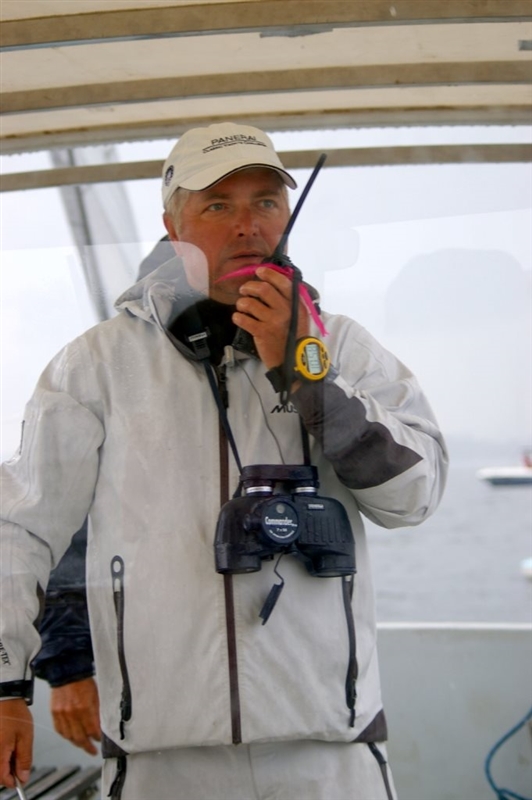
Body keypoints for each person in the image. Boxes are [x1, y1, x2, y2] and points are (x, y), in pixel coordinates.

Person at [0, 122, 448, 799]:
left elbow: (415, 497)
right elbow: (22, 527)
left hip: (332, 755)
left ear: (287, 216)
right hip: (159, 759)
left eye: (266, 202)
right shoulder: (95, 366)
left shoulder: (344, 349)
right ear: (172, 226)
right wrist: (8, 688)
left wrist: (308, 374)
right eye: (217, 205)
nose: (247, 226)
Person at [31, 237, 175, 757]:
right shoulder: (107, 391)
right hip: (142, 677)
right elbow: (52, 534)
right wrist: (69, 668)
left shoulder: (281, 382)